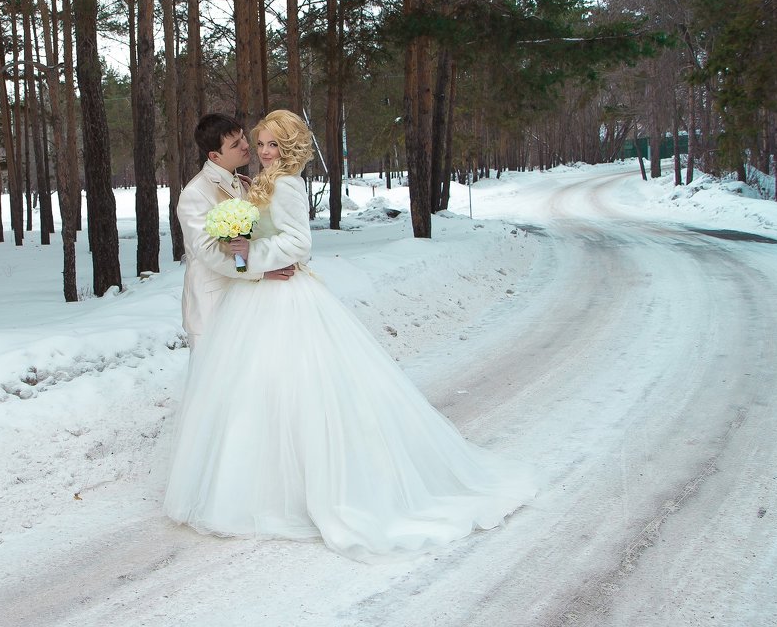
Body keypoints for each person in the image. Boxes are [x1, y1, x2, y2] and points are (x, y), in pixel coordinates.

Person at [164, 110, 537, 562]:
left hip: (266, 293)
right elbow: (210, 253)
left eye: (260, 142)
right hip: (227, 300)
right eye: (245, 143)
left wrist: (257, 260)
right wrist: (255, 264)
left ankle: (295, 486)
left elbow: (290, 239)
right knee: (236, 394)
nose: (253, 149)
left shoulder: (262, 183)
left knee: (286, 386)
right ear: (215, 153)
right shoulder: (202, 192)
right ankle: (239, 481)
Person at [177, 113, 294, 349]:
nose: (245, 145)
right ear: (214, 156)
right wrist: (260, 272)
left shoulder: (244, 183)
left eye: (242, 137)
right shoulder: (195, 194)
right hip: (214, 305)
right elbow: (209, 253)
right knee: (210, 382)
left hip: (246, 303)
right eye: (235, 144)